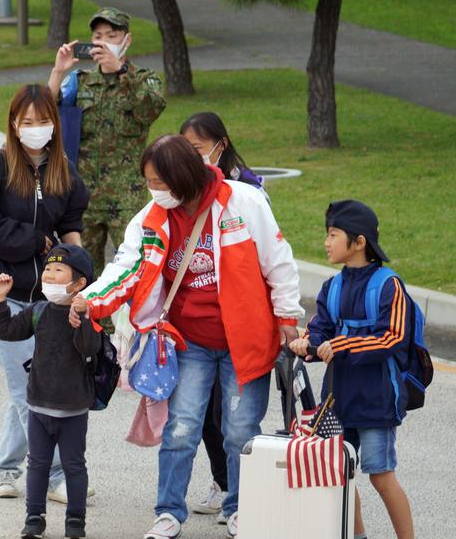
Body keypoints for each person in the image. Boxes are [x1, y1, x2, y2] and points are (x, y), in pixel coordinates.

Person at [70, 135, 303, 539]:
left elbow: (278, 260)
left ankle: (240, 509)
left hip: (244, 342)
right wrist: (90, 300)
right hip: (188, 342)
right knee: (180, 429)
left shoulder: (242, 202)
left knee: (241, 432)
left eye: (160, 181)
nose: (154, 190)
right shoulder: (151, 218)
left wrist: (287, 315)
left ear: (183, 176)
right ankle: (169, 512)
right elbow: (125, 268)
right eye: (149, 181)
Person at [0, 84, 89, 501]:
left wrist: (80, 274)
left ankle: (3, 467)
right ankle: (55, 475)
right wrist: (35, 241)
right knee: (27, 384)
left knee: (33, 380)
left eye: (43, 121)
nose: (36, 129)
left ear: (55, 122)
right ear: (14, 125)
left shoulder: (64, 172)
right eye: (27, 122)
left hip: (49, 297)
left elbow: (71, 227)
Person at [289, 200, 415, 539]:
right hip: (337, 399)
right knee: (338, 473)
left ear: (359, 243)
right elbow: (321, 330)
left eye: (333, 235)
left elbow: (393, 338)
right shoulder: (333, 286)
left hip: (376, 402)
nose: (326, 242)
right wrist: (308, 344)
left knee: (380, 475)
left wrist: (342, 345)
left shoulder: (390, 286)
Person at [178, 111, 266, 520]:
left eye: (198, 149)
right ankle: (223, 481)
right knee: (204, 416)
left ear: (221, 144)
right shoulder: (183, 190)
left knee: (237, 422)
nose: (193, 159)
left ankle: (241, 496)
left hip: (240, 329)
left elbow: (269, 258)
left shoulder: (247, 191)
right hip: (198, 331)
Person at [0, 244, 99, 539]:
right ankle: (34, 517)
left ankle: (75, 521)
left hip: (73, 408)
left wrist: (83, 319)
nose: (50, 277)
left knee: (74, 466)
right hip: (39, 406)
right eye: (48, 271)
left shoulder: (87, 314)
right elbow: (7, 332)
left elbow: (90, 348)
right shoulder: (38, 311)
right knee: (37, 465)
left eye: (58, 271)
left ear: (78, 284)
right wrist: (0, 301)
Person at [48, 7, 166, 270]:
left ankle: (135, 314)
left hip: (127, 196)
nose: (103, 42)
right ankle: (93, 314)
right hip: (84, 194)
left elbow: (150, 110)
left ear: (127, 40)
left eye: (111, 35)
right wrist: (58, 72)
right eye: (98, 36)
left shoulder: (144, 79)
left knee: (136, 267)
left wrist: (121, 72)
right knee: (84, 270)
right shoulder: (80, 81)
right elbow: (47, 112)